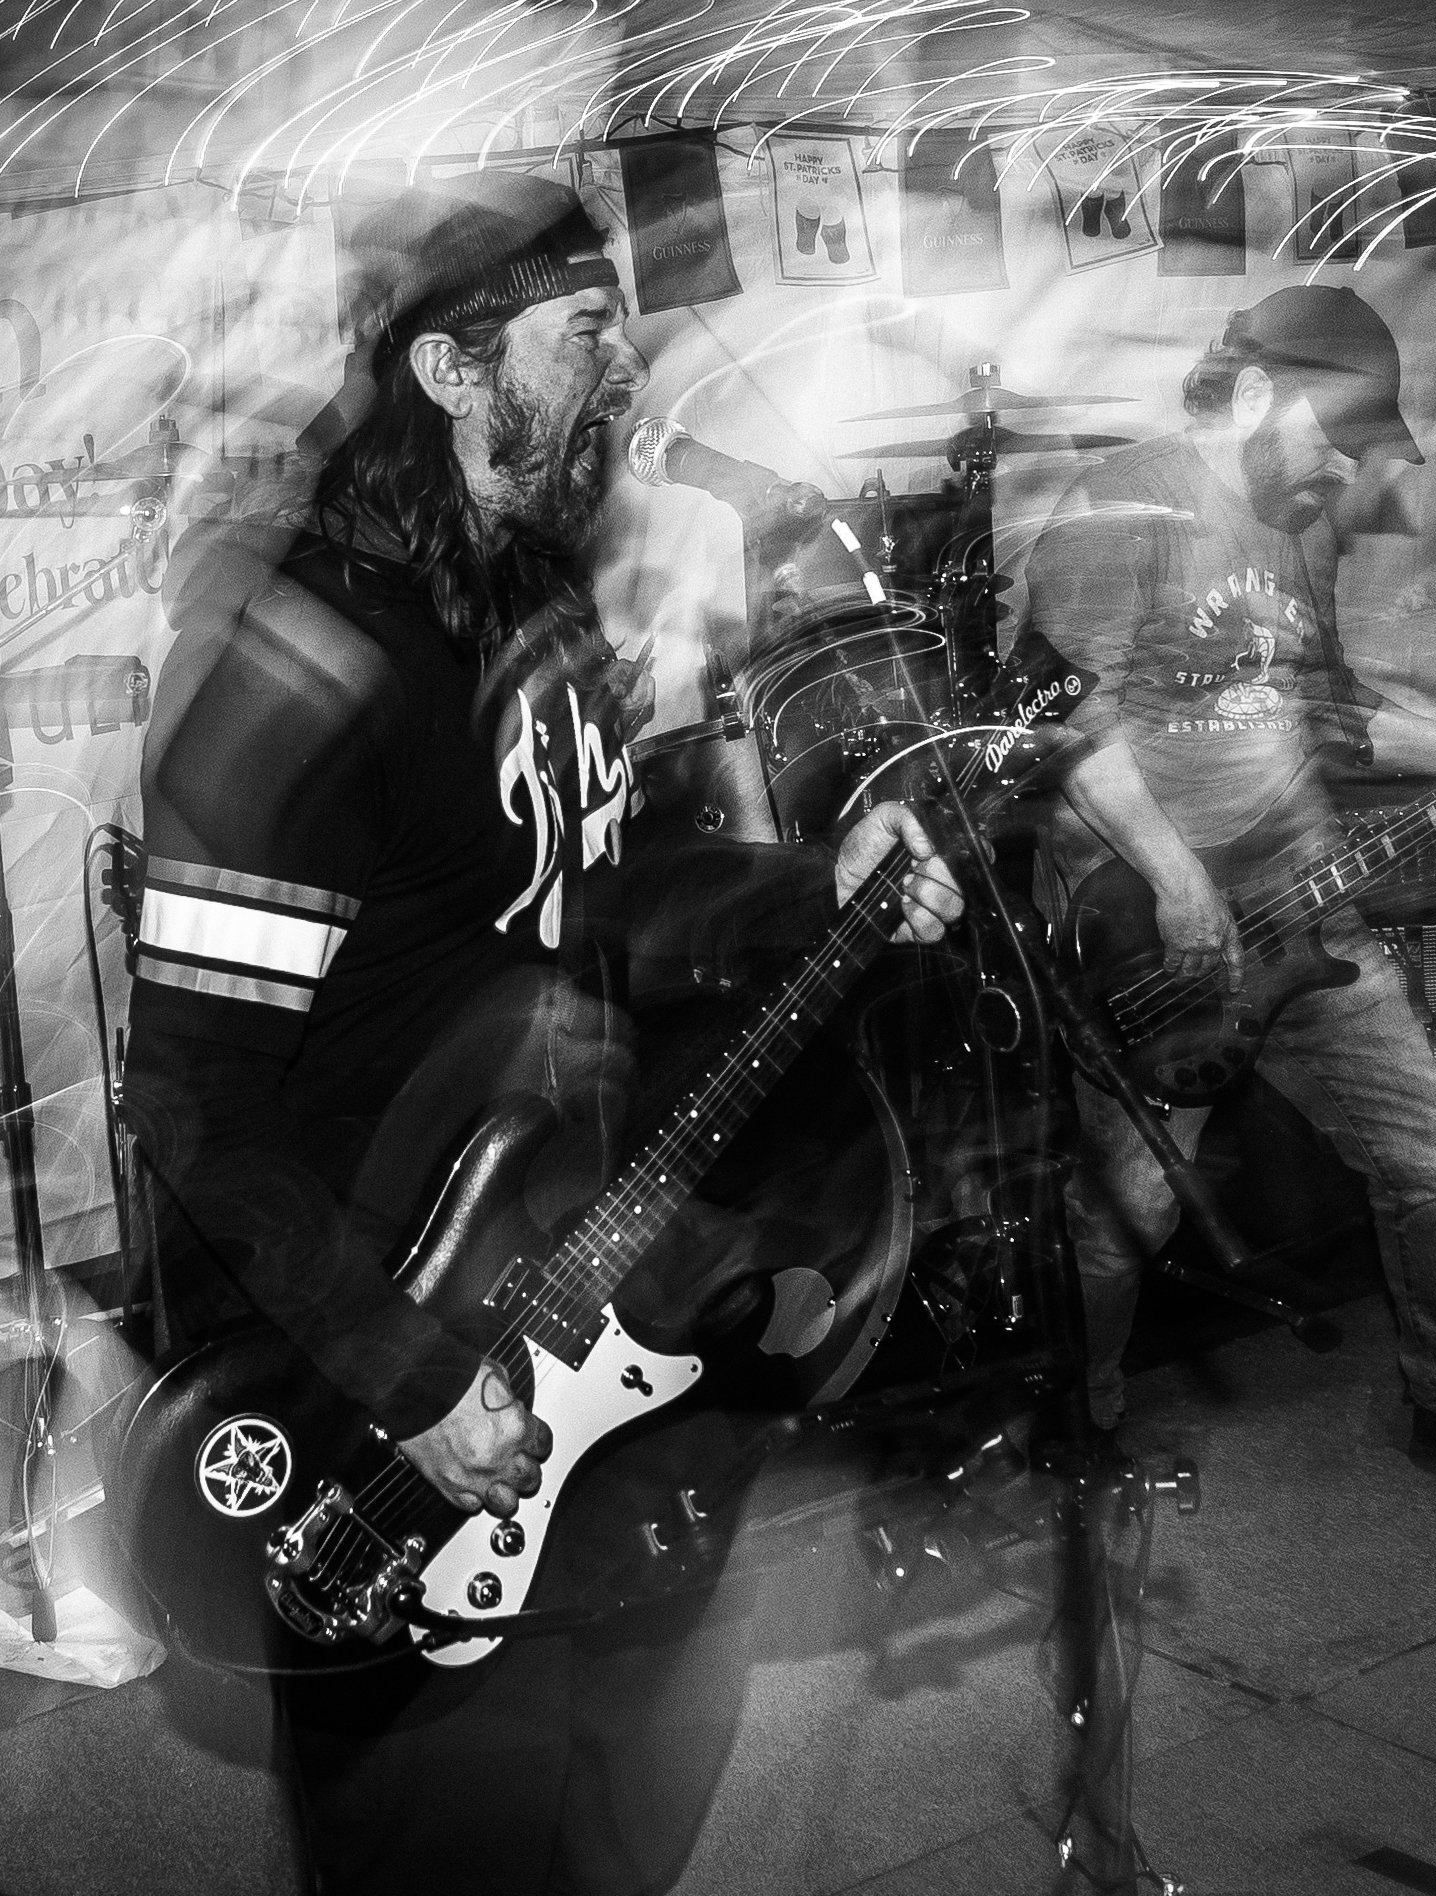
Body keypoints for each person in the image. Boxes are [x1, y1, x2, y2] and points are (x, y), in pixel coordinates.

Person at [122, 171, 962, 1895]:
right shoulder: (306, 658)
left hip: (596, 1339)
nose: (627, 367)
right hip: (395, 1402)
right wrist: (411, 1384)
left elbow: (617, 883)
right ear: (451, 367)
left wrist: (822, 883)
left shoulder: (543, 605)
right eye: (587, 330)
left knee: (620, 1833)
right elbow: (190, 1095)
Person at [1023, 285, 1436, 1480]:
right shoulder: (1118, 506)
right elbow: (1066, 729)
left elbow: (1320, 705)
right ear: (1251, 395)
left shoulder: (1294, 523)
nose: (1340, 473)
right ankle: (1077, 1413)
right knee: (1127, 1207)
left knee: (1428, 1154)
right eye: (1329, 438)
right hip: (1145, 924)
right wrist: (1176, 880)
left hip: (1298, 898)